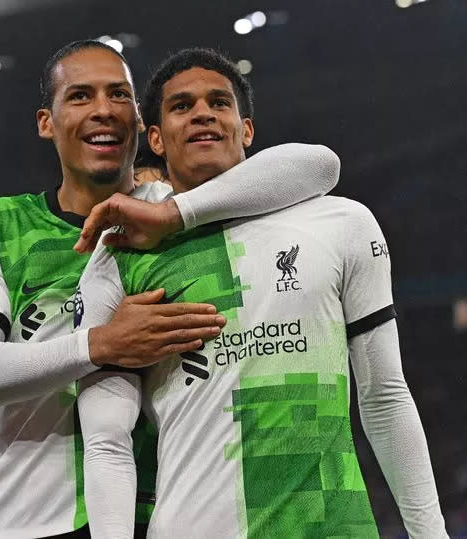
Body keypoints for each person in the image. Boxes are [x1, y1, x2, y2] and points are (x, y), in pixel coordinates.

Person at [0, 39, 342, 539]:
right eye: (81, 96)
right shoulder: (3, 224)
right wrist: (102, 344)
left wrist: (169, 214)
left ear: (142, 123)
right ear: (47, 122)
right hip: (26, 518)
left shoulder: (190, 211)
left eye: (119, 95)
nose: (103, 110)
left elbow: (318, 166)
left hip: (162, 514)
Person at [75, 48, 448, 538]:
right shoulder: (120, 254)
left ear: (246, 130)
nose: (203, 112)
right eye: (182, 106)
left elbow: (384, 396)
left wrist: (430, 533)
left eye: (219, 102)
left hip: (332, 526)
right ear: (157, 139)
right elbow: (106, 442)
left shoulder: (342, 223)